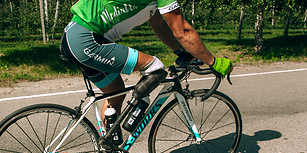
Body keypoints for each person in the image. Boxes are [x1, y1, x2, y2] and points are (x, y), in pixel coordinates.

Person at [60, 0, 232, 122]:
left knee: (116, 92)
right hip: (87, 40)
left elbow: (159, 25)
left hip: (74, 37)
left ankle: (108, 151)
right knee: (155, 67)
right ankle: (136, 108)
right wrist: (213, 61)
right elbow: (183, 32)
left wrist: (180, 52)